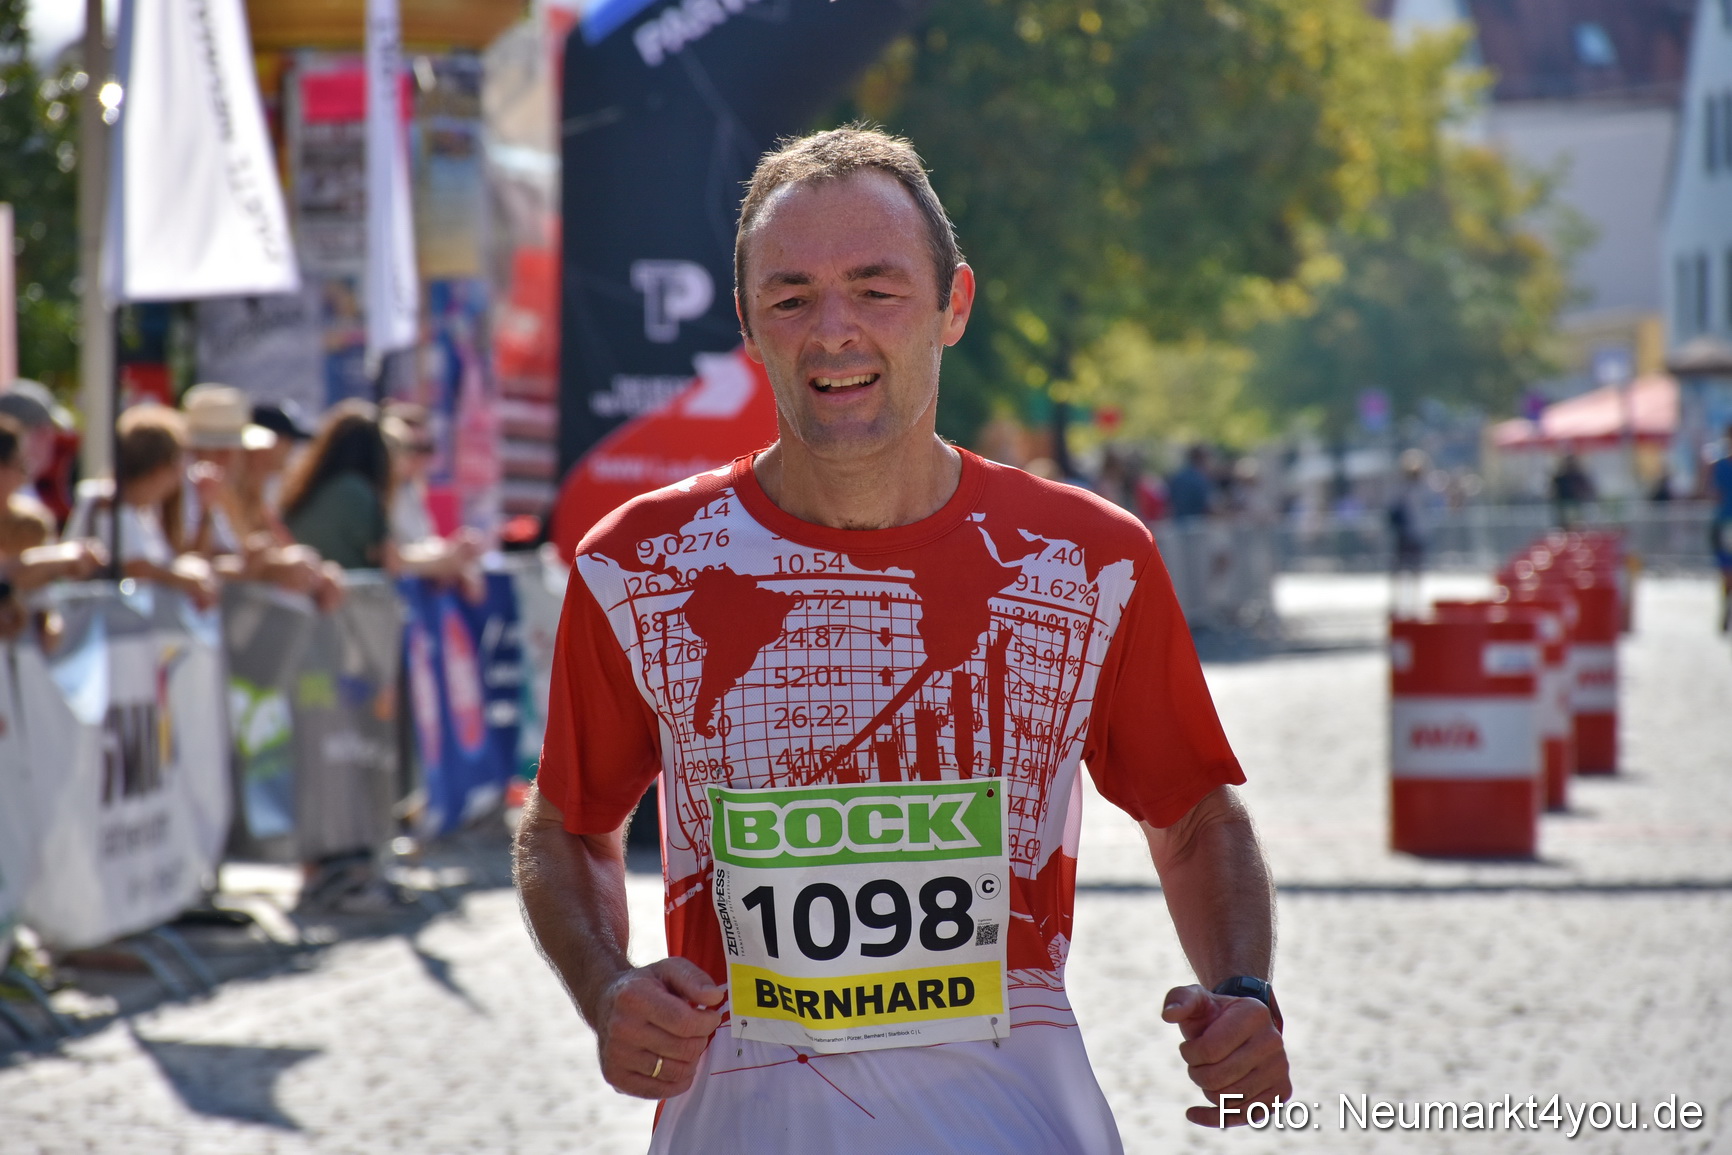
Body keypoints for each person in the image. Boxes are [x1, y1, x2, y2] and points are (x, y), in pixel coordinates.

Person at [514, 127, 1289, 1152]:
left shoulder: (1086, 560)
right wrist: (606, 987)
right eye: (791, 298)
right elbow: (567, 827)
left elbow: (1193, 817)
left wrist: (1243, 991)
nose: (833, 331)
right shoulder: (640, 565)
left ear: (952, 305)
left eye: (876, 290)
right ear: (747, 323)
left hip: (1012, 1125)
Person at [64, 405, 218, 609]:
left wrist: (206, 510)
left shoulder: (142, 511)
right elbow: (135, 567)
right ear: (160, 469)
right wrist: (188, 580)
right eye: (178, 465)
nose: (180, 477)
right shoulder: (108, 502)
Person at [280, 401, 395, 571]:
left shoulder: (309, 485)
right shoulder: (356, 491)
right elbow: (388, 557)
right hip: (342, 583)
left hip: (308, 581)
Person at [1387, 448, 1433, 616]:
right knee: (1401, 569)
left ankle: (1414, 602)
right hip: (1405, 533)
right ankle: (1399, 602)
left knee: (1415, 569)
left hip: (1416, 533)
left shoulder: (1422, 488)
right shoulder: (1401, 488)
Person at [1711, 424, 1732, 632]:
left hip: (1724, 521)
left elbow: (1714, 494)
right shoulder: (1719, 466)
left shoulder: (1719, 466)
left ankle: (1726, 606)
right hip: (1724, 522)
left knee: (1726, 570)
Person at [1167, 443, 1213, 521]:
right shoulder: (1199, 478)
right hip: (1196, 522)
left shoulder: (1178, 476)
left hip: (1177, 521)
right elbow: (1207, 505)